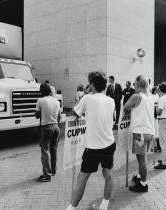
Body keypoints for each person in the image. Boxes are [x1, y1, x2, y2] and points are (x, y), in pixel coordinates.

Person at [66, 72, 115, 210]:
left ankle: (72, 208)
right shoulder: (110, 100)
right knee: (108, 173)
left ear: (92, 84)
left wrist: (86, 94)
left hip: (93, 147)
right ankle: (104, 205)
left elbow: (75, 113)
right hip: (109, 144)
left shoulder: (87, 98)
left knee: (83, 177)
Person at [123, 75, 155, 192]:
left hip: (140, 132)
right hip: (149, 131)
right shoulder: (150, 97)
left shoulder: (136, 96)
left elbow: (125, 108)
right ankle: (141, 177)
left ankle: (143, 184)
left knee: (141, 160)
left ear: (139, 84)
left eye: (134, 84)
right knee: (143, 158)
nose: (133, 86)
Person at [35, 83, 61, 182]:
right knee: (53, 150)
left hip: (46, 127)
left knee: (45, 151)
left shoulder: (40, 101)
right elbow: (58, 116)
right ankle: (53, 171)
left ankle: (47, 175)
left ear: (41, 92)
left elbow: (37, 115)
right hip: (56, 127)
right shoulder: (56, 101)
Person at [154, 82, 166, 169]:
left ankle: (164, 162)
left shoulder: (162, 98)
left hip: (163, 120)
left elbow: (159, 111)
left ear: (160, 90)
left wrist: (155, 107)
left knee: (163, 143)